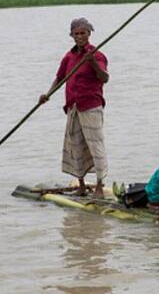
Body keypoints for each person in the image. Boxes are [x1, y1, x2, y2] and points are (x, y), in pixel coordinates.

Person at [39, 17, 109, 198]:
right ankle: (81, 185)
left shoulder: (97, 55)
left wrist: (92, 61)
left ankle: (100, 187)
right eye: (76, 34)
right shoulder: (69, 57)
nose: (79, 37)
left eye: (83, 33)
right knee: (76, 145)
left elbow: (104, 78)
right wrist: (47, 94)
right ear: (71, 35)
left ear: (89, 34)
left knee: (96, 146)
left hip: (91, 106)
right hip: (73, 107)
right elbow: (60, 78)